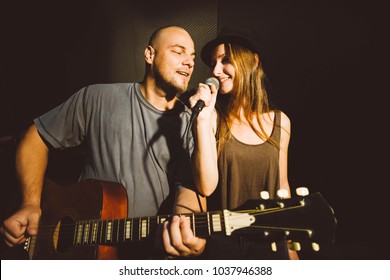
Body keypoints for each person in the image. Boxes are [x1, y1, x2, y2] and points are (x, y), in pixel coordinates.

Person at [0, 25, 208, 259]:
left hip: (147, 254)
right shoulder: (96, 97)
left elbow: (190, 187)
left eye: (191, 57)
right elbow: (35, 137)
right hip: (80, 253)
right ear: (150, 54)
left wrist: (183, 227)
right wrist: (30, 203)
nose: (189, 62)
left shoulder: (192, 120)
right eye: (178, 51)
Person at [190, 25, 299, 259]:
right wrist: (202, 119)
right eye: (213, 63)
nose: (216, 70)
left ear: (253, 61)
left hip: (271, 243)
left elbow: (282, 186)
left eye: (225, 59)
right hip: (224, 245)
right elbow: (206, 187)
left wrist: (290, 246)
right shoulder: (213, 119)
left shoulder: (280, 122)